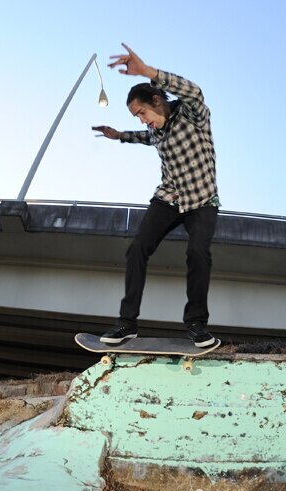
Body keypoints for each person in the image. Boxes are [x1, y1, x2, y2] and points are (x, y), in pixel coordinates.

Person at [92, 44, 220, 348]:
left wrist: (148, 72)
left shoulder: (193, 115)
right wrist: (118, 135)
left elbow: (195, 91)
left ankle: (197, 325)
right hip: (169, 199)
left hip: (202, 201)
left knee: (197, 253)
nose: (143, 120)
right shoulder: (157, 132)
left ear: (157, 100)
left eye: (142, 112)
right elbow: (143, 138)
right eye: (137, 117)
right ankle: (127, 323)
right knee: (137, 248)